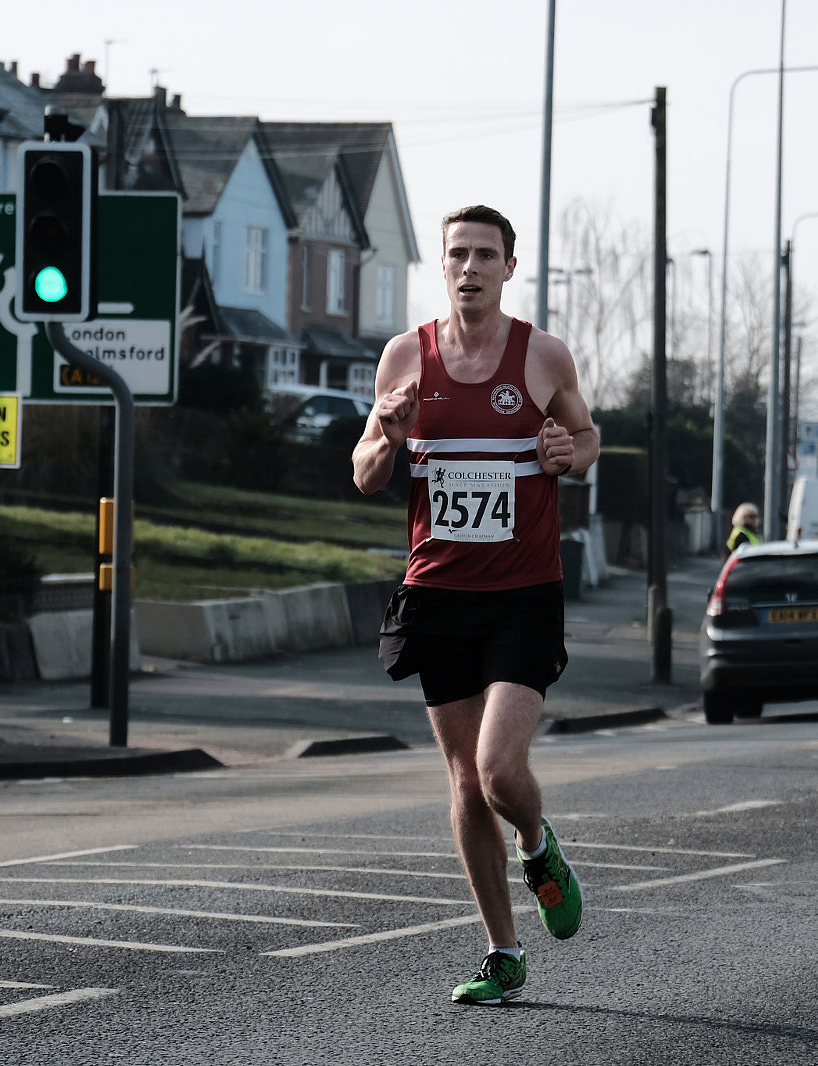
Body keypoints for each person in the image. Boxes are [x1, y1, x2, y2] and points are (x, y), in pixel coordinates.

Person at [352, 205, 599, 1006]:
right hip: (438, 593)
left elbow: (586, 439)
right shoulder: (404, 357)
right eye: (457, 254)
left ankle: (538, 843)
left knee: (498, 769)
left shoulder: (542, 356)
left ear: (508, 267)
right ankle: (503, 950)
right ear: (445, 266)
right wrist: (386, 436)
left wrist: (568, 453)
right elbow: (364, 473)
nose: (469, 268)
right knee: (462, 780)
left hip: (524, 595)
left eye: (484, 255)